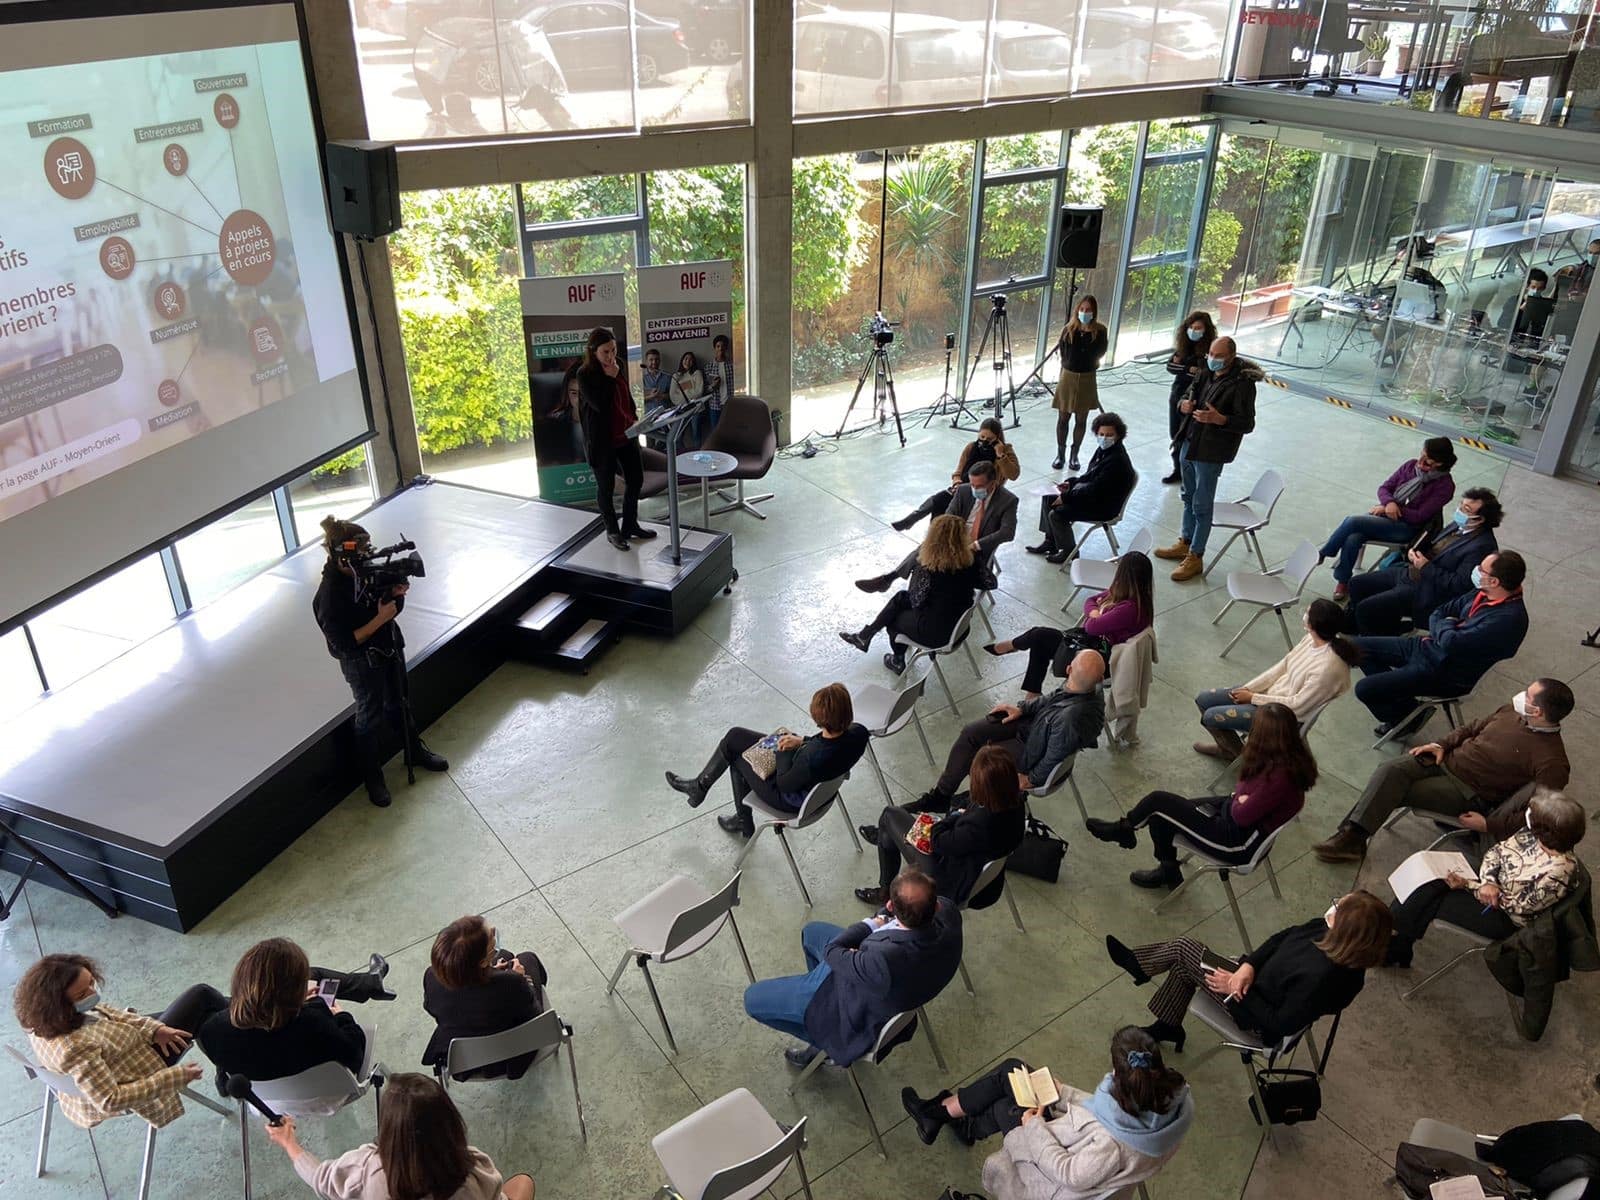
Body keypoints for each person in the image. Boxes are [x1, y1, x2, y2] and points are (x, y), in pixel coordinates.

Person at [910, 1028, 1193, 1200]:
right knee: (1013, 1071)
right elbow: (1107, 1112)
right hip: (1073, 1139)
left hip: (1052, 1170)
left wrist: (1034, 1126)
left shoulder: (1112, 1148)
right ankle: (948, 1117)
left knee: (1004, 1102)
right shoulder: (1168, 1098)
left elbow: (1069, 1174)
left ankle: (941, 1114)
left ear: (1120, 1076)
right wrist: (1063, 1092)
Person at [1312, 677, 1573, 863]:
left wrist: (1489, 825)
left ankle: (1351, 837)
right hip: (1444, 760)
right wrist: (1441, 744)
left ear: (1537, 711)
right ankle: (1353, 837)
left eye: (1527, 696)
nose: (1520, 696)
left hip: (1467, 791)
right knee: (1389, 770)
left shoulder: (1552, 762)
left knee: (1395, 789)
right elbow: (1471, 728)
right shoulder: (1511, 712)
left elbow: (1537, 815)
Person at [1103, 891, 1393, 1050]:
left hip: (1254, 1015)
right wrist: (1248, 966)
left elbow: (1281, 1024)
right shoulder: (1324, 929)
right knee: (1186, 964)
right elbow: (1281, 938)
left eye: (1338, 907)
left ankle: (1139, 965)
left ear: (1346, 932)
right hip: (1249, 981)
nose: (1333, 906)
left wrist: (1235, 986)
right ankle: (1167, 1026)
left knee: (1183, 949)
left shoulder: (1323, 979)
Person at [742, 868, 962, 1067]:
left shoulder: (884, 959)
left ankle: (823, 1043)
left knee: (752, 999)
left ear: (890, 905)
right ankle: (814, 997)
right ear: (936, 905)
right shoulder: (949, 914)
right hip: (892, 978)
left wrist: (872, 924)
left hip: (854, 1001)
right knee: (812, 932)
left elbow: (832, 951)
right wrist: (878, 927)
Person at [1086, 702, 1316, 889]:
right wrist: (1242, 797)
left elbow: (1241, 814)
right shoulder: (1289, 758)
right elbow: (1243, 798)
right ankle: (1167, 869)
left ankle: (1125, 830)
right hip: (1237, 818)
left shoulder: (1278, 777)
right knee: (1163, 812)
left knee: (1158, 801)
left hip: (1236, 842)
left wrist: (1241, 796)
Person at [313, 516, 448, 808]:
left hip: (389, 646)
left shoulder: (366, 572)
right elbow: (344, 643)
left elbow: (391, 607)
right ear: (343, 557)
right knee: (369, 717)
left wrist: (395, 596)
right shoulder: (329, 596)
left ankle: (414, 752)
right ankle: (373, 778)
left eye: (367, 551)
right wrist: (380, 618)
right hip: (361, 662)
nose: (367, 558)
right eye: (360, 554)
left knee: (399, 703)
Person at [14, 954, 224, 1130]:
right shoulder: (75, 1049)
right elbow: (110, 1101)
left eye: (91, 982)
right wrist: (175, 1077)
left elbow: (108, 1014)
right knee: (202, 997)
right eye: (83, 993)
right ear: (60, 1006)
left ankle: (227, 1060)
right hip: (139, 1067)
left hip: (119, 1043)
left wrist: (155, 1029)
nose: (93, 993)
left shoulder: (43, 1022)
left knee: (206, 1016)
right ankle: (235, 1039)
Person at [1385, 789, 1584, 967]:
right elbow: (1496, 852)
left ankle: (1390, 940)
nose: (1527, 817)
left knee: (1432, 896)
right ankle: (1394, 941)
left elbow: (1518, 907)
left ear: (1546, 830)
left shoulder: (1560, 871)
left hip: (1505, 918)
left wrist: (1470, 885)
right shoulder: (1531, 834)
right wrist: (1488, 881)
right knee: (1428, 880)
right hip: (1490, 884)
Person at [265, 1071, 536, 1200]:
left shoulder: (365, 1171)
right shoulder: (474, 1172)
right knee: (523, 1182)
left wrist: (289, 1143)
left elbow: (321, 1178)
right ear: (450, 1121)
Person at [1350, 551, 1528, 735]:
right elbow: (1440, 611)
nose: (1475, 570)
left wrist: (1446, 625)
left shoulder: (1508, 621)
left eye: (1481, 569)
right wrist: (1448, 626)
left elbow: (1451, 643)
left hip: (1444, 672)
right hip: (1427, 646)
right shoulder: (1483, 591)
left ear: (1494, 581)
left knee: (1364, 689)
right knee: (1354, 648)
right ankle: (1405, 705)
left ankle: (1403, 719)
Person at [909, 649, 1106, 814]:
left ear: (1069, 669)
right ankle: (941, 796)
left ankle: (973, 803)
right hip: (1033, 728)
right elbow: (1052, 697)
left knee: (984, 759)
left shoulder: (1069, 720)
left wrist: (1030, 779)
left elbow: (1053, 757)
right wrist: (1022, 708)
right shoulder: (1086, 685)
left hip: (1032, 751)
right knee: (971, 733)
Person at [664, 682, 870, 837]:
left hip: (789, 798)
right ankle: (700, 787)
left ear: (820, 720)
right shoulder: (859, 732)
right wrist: (801, 740)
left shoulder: (811, 757)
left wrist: (782, 752)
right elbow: (827, 744)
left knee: (737, 757)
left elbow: (784, 784)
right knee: (735, 736)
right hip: (818, 786)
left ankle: (739, 818)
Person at [198, 938, 395, 1091]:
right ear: (295, 994)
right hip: (328, 1094)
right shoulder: (314, 1022)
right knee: (312, 974)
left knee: (311, 974)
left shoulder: (212, 1031)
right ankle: (371, 984)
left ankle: (370, 983)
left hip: (265, 1098)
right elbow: (355, 1055)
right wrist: (340, 1015)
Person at [855, 744, 1026, 906]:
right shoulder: (1015, 803)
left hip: (949, 882)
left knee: (889, 815)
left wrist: (954, 816)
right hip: (986, 880)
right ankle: (887, 840)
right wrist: (960, 814)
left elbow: (936, 839)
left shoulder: (979, 824)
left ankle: (885, 890)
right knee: (892, 827)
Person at [1191, 597, 1357, 759]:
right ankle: (1229, 749)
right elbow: (1282, 666)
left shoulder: (1327, 669)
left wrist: (1253, 698)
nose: (1304, 615)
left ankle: (1241, 758)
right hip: (1272, 697)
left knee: (1210, 717)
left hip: (1284, 717)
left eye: (1307, 612)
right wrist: (1249, 688)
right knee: (1203, 699)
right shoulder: (1311, 639)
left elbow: (1297, 706)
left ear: (1315, 624)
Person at [1154, 336, 1260, 582]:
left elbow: (1247, 423)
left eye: (1218, 356)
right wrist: (1184, 405)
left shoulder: (1242, 384)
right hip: (1189, 442)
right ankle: (1185, 540)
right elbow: (1186, 395)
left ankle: (1196, 555)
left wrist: (1220, 419)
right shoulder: (1204, 373)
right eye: (1210, 354)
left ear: (1231, 357)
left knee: (1202, 504)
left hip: (1211, 451)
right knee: (1188, 496)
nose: (1213, 359)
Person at [986, 551, 1153, 699]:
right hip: (1096, 645)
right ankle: (1030, 688)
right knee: (1040, 636)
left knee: (1040, 637)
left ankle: (1016, 655)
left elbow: (1091, 627)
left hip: (1100, 659)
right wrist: (1095, 612)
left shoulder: (1130, 609)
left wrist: (1094, 615)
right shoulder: (1133, 595)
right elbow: (1091, 600)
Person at [1346, 487, 1502, 636]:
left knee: (1367, 608)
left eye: (1466, 509)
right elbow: (1436, 547)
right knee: (1356, 584)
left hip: (1427, 590)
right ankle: (1358, 626)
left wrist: (1425, 566)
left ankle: (1371, 643)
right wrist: (1416, 552)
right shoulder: (1459, 525)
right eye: (1461, 505)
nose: (1460, 511)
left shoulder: (1481, 547)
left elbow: (1458, 585)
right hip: (1411, 572)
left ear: (1480, 519)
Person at [840, 514, 984, 673]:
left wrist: (917, 572)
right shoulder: (971, 562)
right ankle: (865, 635)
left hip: (937, 635)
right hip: (960, 628)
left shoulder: (930, 569)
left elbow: (916, 601)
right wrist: (975, 555)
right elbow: (990, 583)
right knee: (901, 598)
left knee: (893, 618)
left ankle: (896, 659)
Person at [1317, 438, 1457, 598]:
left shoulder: (1445, 486)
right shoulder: (1410, 466)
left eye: (1427, 458)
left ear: (1439, 463)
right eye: (1422, 454)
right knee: (1353, 537)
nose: (1421, 460)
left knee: (1353, 521)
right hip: (1386, 517)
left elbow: (1419, 516)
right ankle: (1343, 581)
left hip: (1408, 528)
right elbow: (1385, 488)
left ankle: (1324, 553)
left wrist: (1388, 508)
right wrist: (1389, 502)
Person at [422, 915, 548, 1081]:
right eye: (491, 935)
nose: (494, 931)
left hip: (464, 1059)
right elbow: (536, 1017)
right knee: (527, 958)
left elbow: (434, 1008)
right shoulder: (513, 983)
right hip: (513, 1054)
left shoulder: (431, 977)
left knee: (505, 954)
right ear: (482, 963)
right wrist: (523, 979)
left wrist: (492, 971)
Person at [857, 459, 1017, 588]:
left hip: (977, 548)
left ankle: (892, 581)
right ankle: (892, 580)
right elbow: (949, 515)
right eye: (972, 484)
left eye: (979, 486)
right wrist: (951, 536)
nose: (974, 489)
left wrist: (976, 545)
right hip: (956, 538)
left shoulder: (1007, 500)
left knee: (928, 562)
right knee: (927, 550)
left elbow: (1007, 533)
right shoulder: (964, 490)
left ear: (993, 483)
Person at [577, 327, 653, 551]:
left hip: (626, 434)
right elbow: (599, 404)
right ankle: (612, 531)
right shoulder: (584, 374)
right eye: (605, 352)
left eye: (613, 350)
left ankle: (630, 525)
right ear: (593, 351)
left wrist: (634, 417)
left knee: (636, 479)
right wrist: (610, 377)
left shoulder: (617, 365)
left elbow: (624, 394)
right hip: (603, 441)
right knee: (606, 487)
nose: (611, 356)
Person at [1025, 411, 1136, 564]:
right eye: (1101, 434)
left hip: (1103, 505)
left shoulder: (1117, 461)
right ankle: (1051, 541)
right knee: (1049, 497)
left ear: (1118, 436)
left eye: (1109, 435)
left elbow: (1095, 490)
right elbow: (1090, 475)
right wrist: (1072, 483)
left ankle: (1069, 551)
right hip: (1093, 496)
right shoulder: (1104, 451)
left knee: (1057, 514)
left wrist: (1066, 497)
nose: (1104, 438)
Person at [891, 418, 1020, 531]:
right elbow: (958, 472)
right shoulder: (971, 447)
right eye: (982, 437)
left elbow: (1013, 475)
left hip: (985, 492)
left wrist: (1000, 455)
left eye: (990, 439)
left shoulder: (1005, 451)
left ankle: (918, 523)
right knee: (939, 499)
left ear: (997, 438)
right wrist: (957, 483)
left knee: (947, 505)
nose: (984, 441)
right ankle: (915, 520)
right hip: (964, 487)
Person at [1052, 294, 1109, 471]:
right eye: (1082, 309)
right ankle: (1060, 454)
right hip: (1068, 377)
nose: (1084, 312)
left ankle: (1074, 454)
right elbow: (1063, 353)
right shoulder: (1068, 330)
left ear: (1094, 312)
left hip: (1087, 377)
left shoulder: (1100, 331)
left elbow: (1101, 352)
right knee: (1063, 418)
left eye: (1088, 310)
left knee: (1081, 419)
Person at [1163, 311, 1216, 483]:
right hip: (1177, 395)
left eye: (1198, 328)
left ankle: (1188, 473)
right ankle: (1177, 469)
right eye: (1191, 327)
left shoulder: (1210, 350)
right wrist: (1187, 369)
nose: (1193, 331)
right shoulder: (1183, 347)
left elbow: (1203, 373)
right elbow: (1171, 366)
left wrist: (1186, 368)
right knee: (1175, 433)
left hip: (1196, 398)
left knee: (1189, 436)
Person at [671, 349, 706, 443]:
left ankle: (698, 451)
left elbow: (699, 392)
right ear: (682, 360)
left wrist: (682, 394)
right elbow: (673, 397)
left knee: (696, 434)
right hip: (681, 410)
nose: (688, 361)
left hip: (696, 409)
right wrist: (690, 394)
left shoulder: (697, 373)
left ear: (693, 362)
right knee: (678, 436)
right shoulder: (676, 376)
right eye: (686, 359)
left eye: (690, 360)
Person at [705, 333, 734, 436]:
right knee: (716, 433)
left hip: (730, 404)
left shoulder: (732, 366)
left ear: (726, 348)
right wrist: (713, 386)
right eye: (718, 346)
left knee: (730, 432)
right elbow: (705, 389)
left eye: (723, 346)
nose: (720, 349)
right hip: (714, 405)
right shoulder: (709, 367)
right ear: (714, 348)